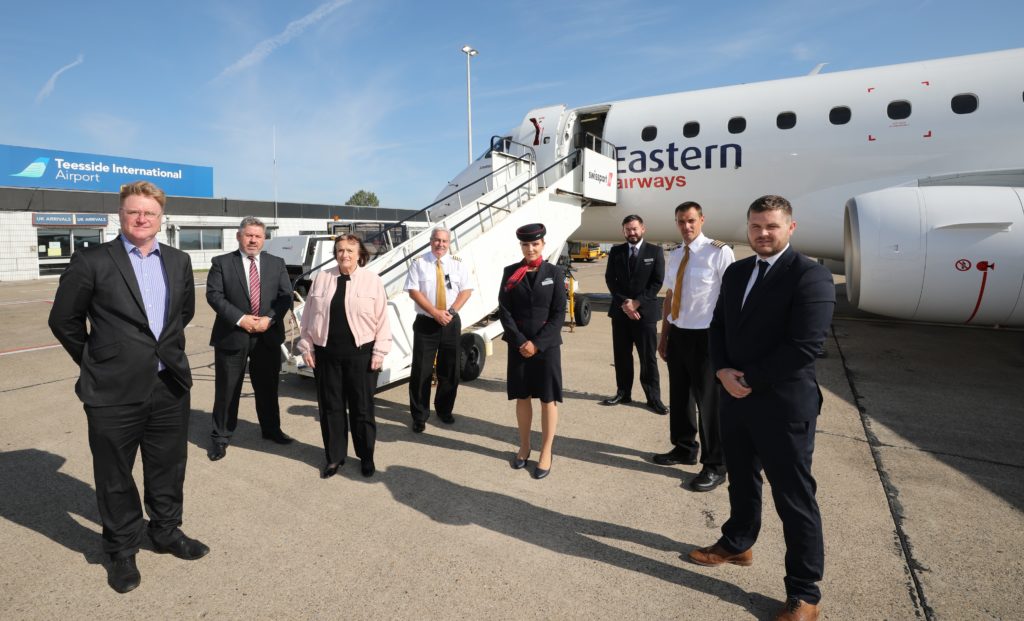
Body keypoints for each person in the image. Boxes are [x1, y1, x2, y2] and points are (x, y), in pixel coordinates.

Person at [48, 181, 208, 594]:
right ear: (121, 215)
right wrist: (97, 361)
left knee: (168, 467)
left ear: (160, 218)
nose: (142, 218)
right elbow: (64, 321)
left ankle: (166, 531)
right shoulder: (92, 260)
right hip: (112, 390)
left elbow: (182, 314)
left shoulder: (178, 260)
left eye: (149, 213)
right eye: (134, 211)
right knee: (115, 473)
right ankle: (121, 549)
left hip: (168, 384)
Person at [689, 195, 835, 621]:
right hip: (735, 401)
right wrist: (720, 373)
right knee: (742, 480)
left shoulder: (811, 277)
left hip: (783, 406)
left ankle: (804, 593)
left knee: (794, 498)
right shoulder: (736, 272)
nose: (762, 234)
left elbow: (805, 347)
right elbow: (717, 325)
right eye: (756, 227)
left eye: (771, 226)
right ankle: (738, 542)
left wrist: (746, 379)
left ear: (790, 227)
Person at [654, 202, 735, 492]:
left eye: (690, 221)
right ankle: (684, 448)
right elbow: (669, 296)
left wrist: (727, 343)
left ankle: (716, 465)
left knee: (709, 404)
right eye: (680, 222)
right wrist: (664, 336)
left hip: (707, 337)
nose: (686, 227)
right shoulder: (675, 254)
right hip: (679, 334)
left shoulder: (719, 252)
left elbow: (730, 299)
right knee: (680, 398)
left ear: (702, 219)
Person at [296, 235, 391, 479]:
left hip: (361, 355)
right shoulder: (321, 279)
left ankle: (366, 457)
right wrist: (306, 345)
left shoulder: (372, 281)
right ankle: (335, 457)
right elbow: (307, 316)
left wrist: (380, 351)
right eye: (340, 250)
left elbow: (382, 319)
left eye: (350, 250)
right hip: (327, 355)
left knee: (362, 410)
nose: (344, 254)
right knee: (330, 409)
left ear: (359, 254)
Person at [206, 216, 294, 461]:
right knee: (227, 389)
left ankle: (271, 430)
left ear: (264, 239)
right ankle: (221, 437)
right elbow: (214, 295)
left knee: (267, 387)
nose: (253, 240)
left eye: (258, 236)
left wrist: (270, 319)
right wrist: (240, 318)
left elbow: (285, 296)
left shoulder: (276, 263)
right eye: (249, 235)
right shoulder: (222, 262)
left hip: (267, 335)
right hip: (232, 335)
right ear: (239, 236)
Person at [498, 223, 567, 480]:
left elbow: (559, 312)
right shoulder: (510, 273)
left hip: (546, 347)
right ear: (521, 246)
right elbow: (504, 311)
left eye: (534, 244)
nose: (530, 248)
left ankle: (546, 451)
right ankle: (525, 445)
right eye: (525, 245)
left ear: (543, 245)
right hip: (519, 346)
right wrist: (520, 341)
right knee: (522, 396)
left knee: (547, 399)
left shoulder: (554, 272)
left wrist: (536, 343)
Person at [404, 226, 474, 433]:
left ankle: (444, 410)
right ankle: (419, 415)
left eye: (444, 241)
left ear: (449, 243)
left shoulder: (457, 264)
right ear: (430, 241)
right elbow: (413, 292)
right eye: (436, 240)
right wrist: (435, 312)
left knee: (450, 370)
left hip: (451, 322)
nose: (440, 244)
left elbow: (466, 290)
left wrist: (450, 312)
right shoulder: (419, 264)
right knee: (421, 371)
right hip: (427, 322)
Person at [601, 214, 667, 414]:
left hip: (645, 314)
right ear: (623, 231)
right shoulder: (616, 251)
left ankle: (653, 398)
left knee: (648, 358)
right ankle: (623, 393)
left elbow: (657, 282)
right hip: (621, 314)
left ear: (643, 229)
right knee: (621, 356)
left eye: (635, 229)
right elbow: (610, 280)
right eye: (628, 229)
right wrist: (625, 304)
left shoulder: (654, 251)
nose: (632, 233)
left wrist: (637, 303)